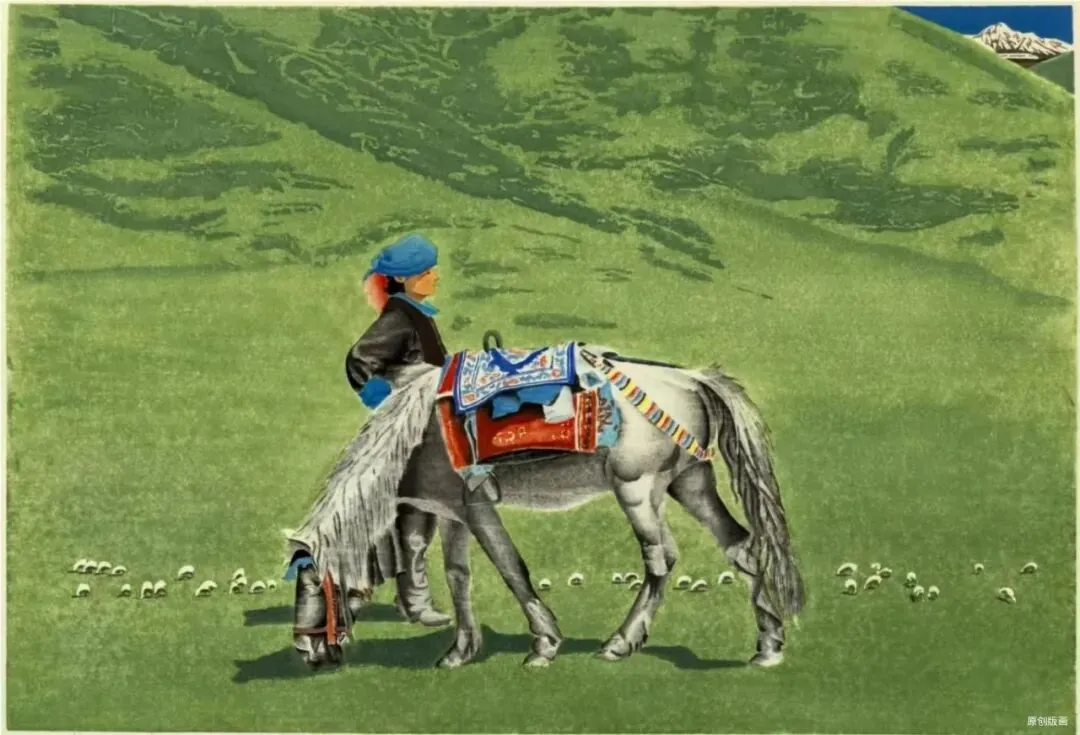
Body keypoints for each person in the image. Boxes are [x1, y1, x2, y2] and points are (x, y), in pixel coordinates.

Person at [345, 233, 451, 627]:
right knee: (410, 517)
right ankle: (396, 598)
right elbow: (359, 360)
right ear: (405, 279)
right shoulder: (400, 319)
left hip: (423, 430)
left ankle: (412, 601)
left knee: (417, 517)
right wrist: (387, 402)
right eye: (426, 272)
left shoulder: (416, 315)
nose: (435, 276)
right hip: (405, 433)